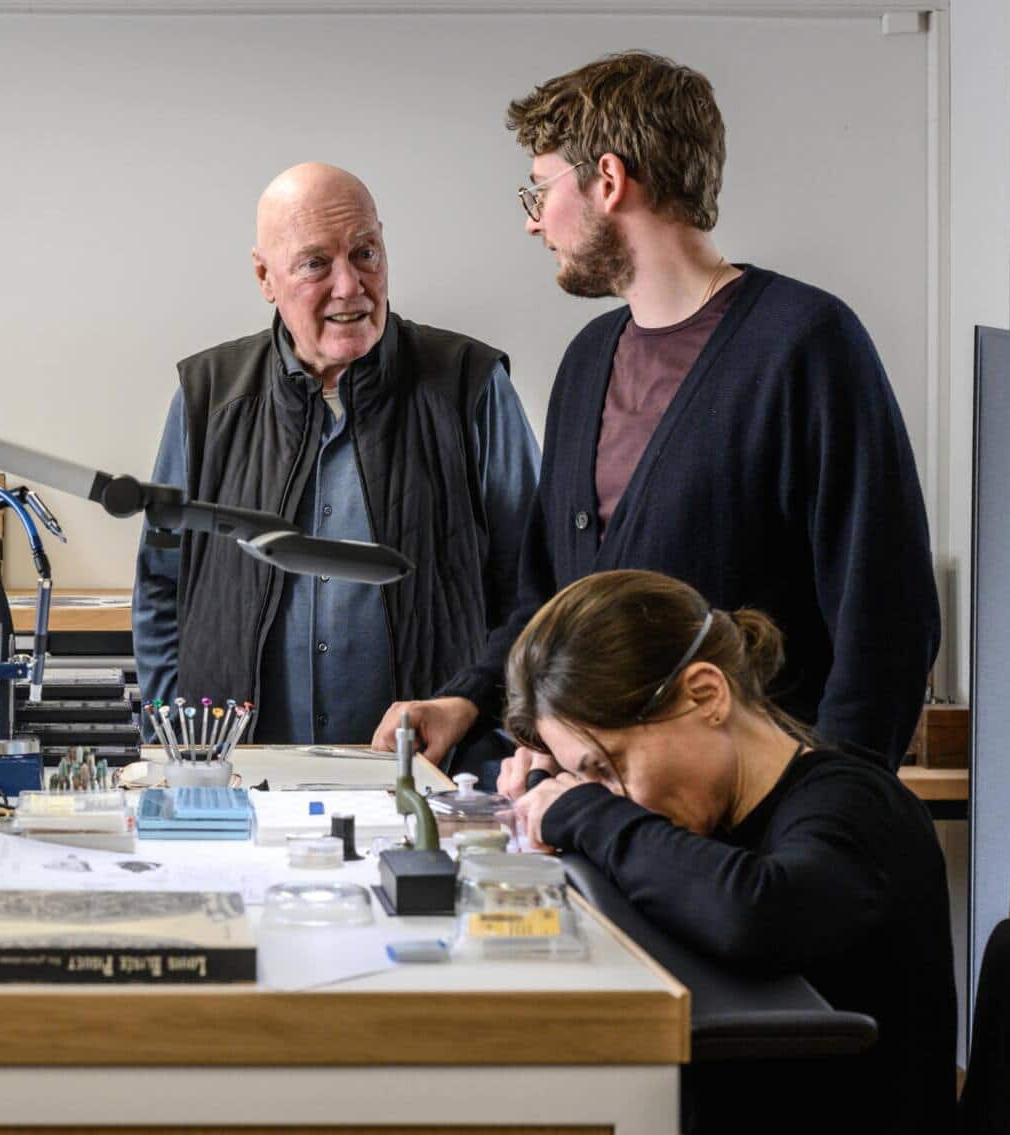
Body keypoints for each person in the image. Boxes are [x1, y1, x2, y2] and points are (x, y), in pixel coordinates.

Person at [373, 52, 940, 775]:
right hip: (605, 814)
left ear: (607, 180)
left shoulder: (805, 343)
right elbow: (546, 599)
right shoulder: (588, 359)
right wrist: (466, 700)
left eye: (539, 190)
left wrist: (843, 805)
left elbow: (885, 608)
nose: (533, 222)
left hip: (753, 828)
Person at [507, 569, 956, 1135]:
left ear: (705, 695)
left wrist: (587, 812)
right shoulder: (719, 822)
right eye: (588, 777)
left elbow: (761, 912)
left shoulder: (854, 806)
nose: (617, 798)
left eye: (610, 767)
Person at [133, 162, 539, 745]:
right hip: (241, 784)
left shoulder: (467, 385)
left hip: (434, 774)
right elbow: (159, 586)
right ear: (265, 277)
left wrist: (493, 729)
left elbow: (531, 586)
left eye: (365, 253)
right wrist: (183, 741)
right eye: (316, 263)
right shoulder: (207, 397)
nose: (349, 285)